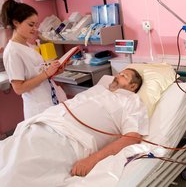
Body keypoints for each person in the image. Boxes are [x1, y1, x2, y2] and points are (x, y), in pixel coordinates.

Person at [0, 68, 148, 187]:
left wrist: (92, 160)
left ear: (133, 86)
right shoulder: (98, 89)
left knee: (14, 173)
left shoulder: (131, 101)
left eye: (124, 76)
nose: (117, 75)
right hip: (43, 123)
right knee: (5, 154)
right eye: (119, 72)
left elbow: (132, 137)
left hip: (67, 139)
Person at [0, 0, 66, 119]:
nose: (35, 29)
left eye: (35, 25)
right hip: (39, 107)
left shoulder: (28, 46)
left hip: (50, 100)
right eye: (31, 24)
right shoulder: (12, 51)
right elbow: (18, 88)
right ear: (16, 22)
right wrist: (46, 73)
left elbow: (36, 74)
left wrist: (54, 71)